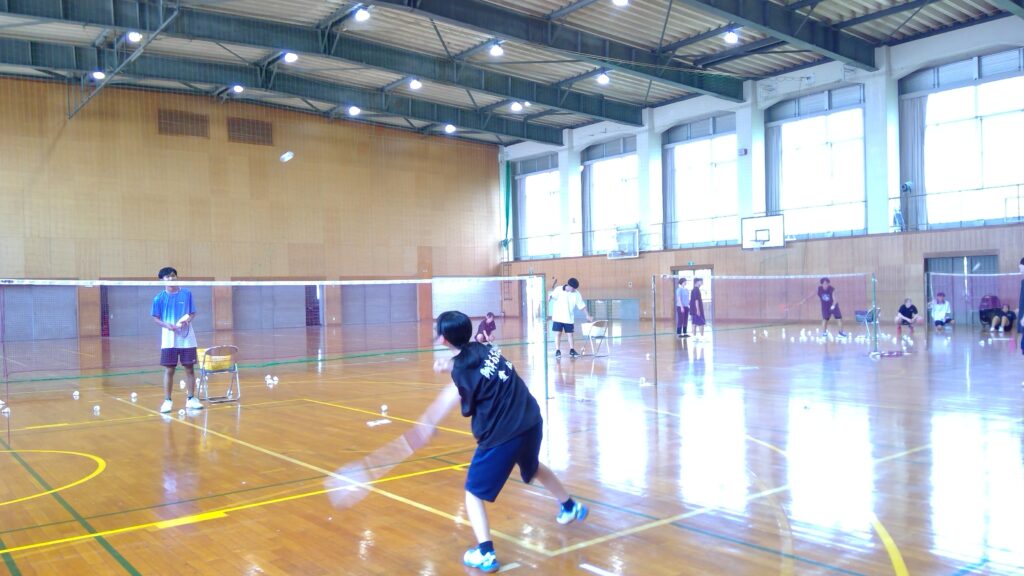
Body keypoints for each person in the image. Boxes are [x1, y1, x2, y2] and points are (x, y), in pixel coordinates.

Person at [428, 311, 588, 573]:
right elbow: (470, 364)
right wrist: (449, 365)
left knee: (473, 493)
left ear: (444, 340)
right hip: (530, 420)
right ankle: (570, 506)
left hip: (503, 433)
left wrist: (431, 420)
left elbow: (463, 391)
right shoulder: (483, 347)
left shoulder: (461, 371)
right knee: (533, 467)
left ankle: (485, 553)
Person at [151, 266, 203, 414]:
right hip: (169, 338)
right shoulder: (159, 298)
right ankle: (167, 401)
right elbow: (155, 318)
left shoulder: (186, 293)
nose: (171, 278)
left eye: (173, 275)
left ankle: (191, 399)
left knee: (189, 368)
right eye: (167, 276)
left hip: (187, 337)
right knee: (169, 369)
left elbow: (192, 313)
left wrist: (188, 320)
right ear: (162, 280)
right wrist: (166, 325)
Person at [548, 278, 593, 359]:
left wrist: (587, 315)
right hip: (558, 317)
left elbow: (582, 306)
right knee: (558, 334)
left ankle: (572, 350)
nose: (574, 290)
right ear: (568, 285)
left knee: (570, 335)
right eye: (573, 288)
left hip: (568, 318)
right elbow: (552, 295)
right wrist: (550, 297)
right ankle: (557, 351)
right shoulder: (559, 289)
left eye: (575, 288)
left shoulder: (576, 294)